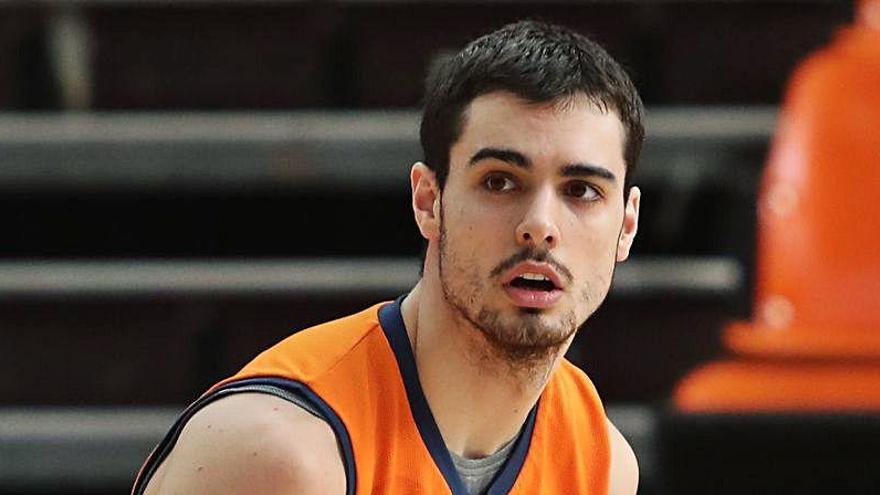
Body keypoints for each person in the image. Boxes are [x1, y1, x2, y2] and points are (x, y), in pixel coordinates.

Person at [133, 20, 642, 495]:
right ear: (428, 201)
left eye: (581, 190)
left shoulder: (602, 464)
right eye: (499, 181)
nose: (540, 226)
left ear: (626, 225)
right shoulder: (283, 455)